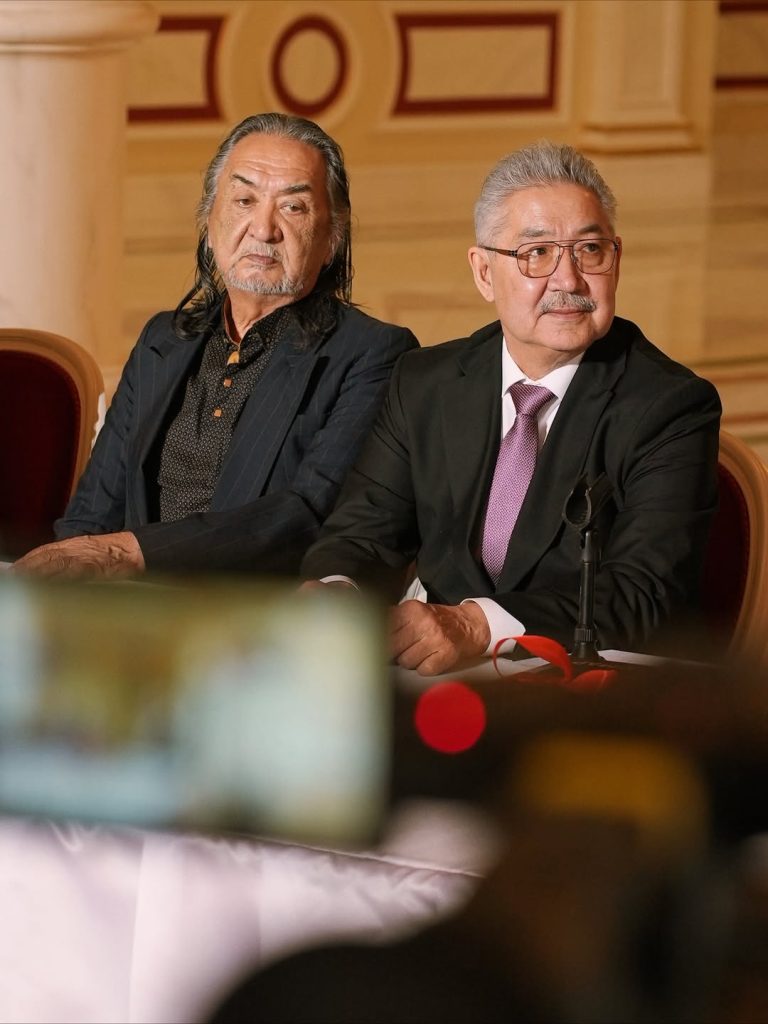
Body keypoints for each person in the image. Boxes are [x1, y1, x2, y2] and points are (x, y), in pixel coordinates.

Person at [301, 141, 721, 675]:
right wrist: (339, 592)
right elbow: (362, 535)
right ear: (484, 273)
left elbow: (644, 595)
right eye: (537, 253)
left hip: (585, 686)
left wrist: (476, 625)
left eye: (590, 250)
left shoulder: (670, 407)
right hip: (441, 680)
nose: (568, 281)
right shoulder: (426, 383)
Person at [12, 113, 417, 578]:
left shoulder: (371, 353)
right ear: (209, 222)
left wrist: (125, 553)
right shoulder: (162, 339)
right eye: (244, 200)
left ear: (332, 239)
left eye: (293, 207)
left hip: (250, 610)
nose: (263, 229)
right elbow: (91, 514)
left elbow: (306, 516)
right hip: (125, 608)